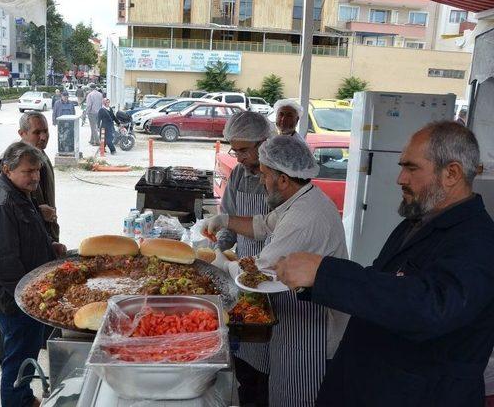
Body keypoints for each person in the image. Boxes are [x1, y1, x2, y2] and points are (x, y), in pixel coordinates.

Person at [276, 122, 494, 407]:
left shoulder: (479, 241)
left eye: (412, 168)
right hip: (366, 382)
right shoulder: (417, 224)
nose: (400, 178)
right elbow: (384, 284)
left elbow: (430, 306)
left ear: (451, 173)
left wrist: (325, 272)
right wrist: (314, 280)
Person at [203, 135, 348, 406]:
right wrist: (225, 220)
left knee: (299, 398)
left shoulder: (306, 217)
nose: (261, 180)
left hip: (313, 331)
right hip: (294, 318)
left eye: (265, 174)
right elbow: (262, 225)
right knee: (282, 392)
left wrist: (222, 263)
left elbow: (257, 272)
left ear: (283, 179)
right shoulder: (300, 199)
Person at [0, 142, 67, 407]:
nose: (36, 177)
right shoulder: (2, 205)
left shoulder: (20, 194)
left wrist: (49, 246)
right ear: (7, 169)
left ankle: (25, 398)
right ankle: (17, 402)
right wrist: (35, 302)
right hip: (16, 302)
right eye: (29, 171)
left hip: (26, 294)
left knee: (25, 354)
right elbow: (5, 267)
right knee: (17, 361)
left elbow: (24, 238)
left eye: (37, 171)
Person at [215, 111, 275, 405]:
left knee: (274, 348)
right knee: (248, 353)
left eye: (242, 150)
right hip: (243, 269)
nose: (236, 156)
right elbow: (227, 218)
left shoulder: (277, 176)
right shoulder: (239, 174)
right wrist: (217, 247)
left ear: (263, 143)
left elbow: (269, 226)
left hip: (276, 269)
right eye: (233, 149)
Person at [0, 111, 60, 242]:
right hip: (27, 242)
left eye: (46, 131)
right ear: (22, 133)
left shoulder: (40, 155)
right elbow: (4, 211)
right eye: (37, 132)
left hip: (46, 235)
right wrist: (38, 213)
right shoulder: (8, 163)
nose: (43, 137)